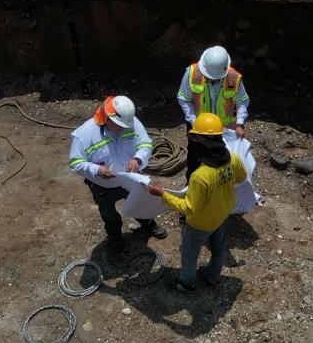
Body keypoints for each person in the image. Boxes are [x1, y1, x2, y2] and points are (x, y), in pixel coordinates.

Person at [145, 113, 247, 292]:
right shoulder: (233, 158)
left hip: (200, 224)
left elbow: (189, 208)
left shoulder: (200, 176)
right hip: (223, 215)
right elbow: (242, 178)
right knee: (218, 249)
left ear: (200, 144)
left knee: (189, 254)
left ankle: (186, 283)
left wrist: (162, 194)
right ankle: (213, 277)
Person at [69, 95, 167, 252]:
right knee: (110, 215)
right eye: (119, 125)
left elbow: (145, 144)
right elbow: (75, 163)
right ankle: (115, 237)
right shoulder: (85, 134)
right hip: (103, 185)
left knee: (139, 204)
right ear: (107, 118)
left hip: (130, 179)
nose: (124, 129)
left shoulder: (131, 122)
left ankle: (148, 224)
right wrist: (96, 170)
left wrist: (137, 159)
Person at [176, 45, 250, 181]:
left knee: (222, 160)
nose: (211, 79)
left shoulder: (234, 78)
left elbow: (242, 101)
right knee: (195, 158)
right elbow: (183, 99)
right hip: (199, 126)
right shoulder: (192, 73)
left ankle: (218, 188)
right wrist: (194, 121)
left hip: (224, 129)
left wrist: (240, 124)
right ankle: (191, 186)